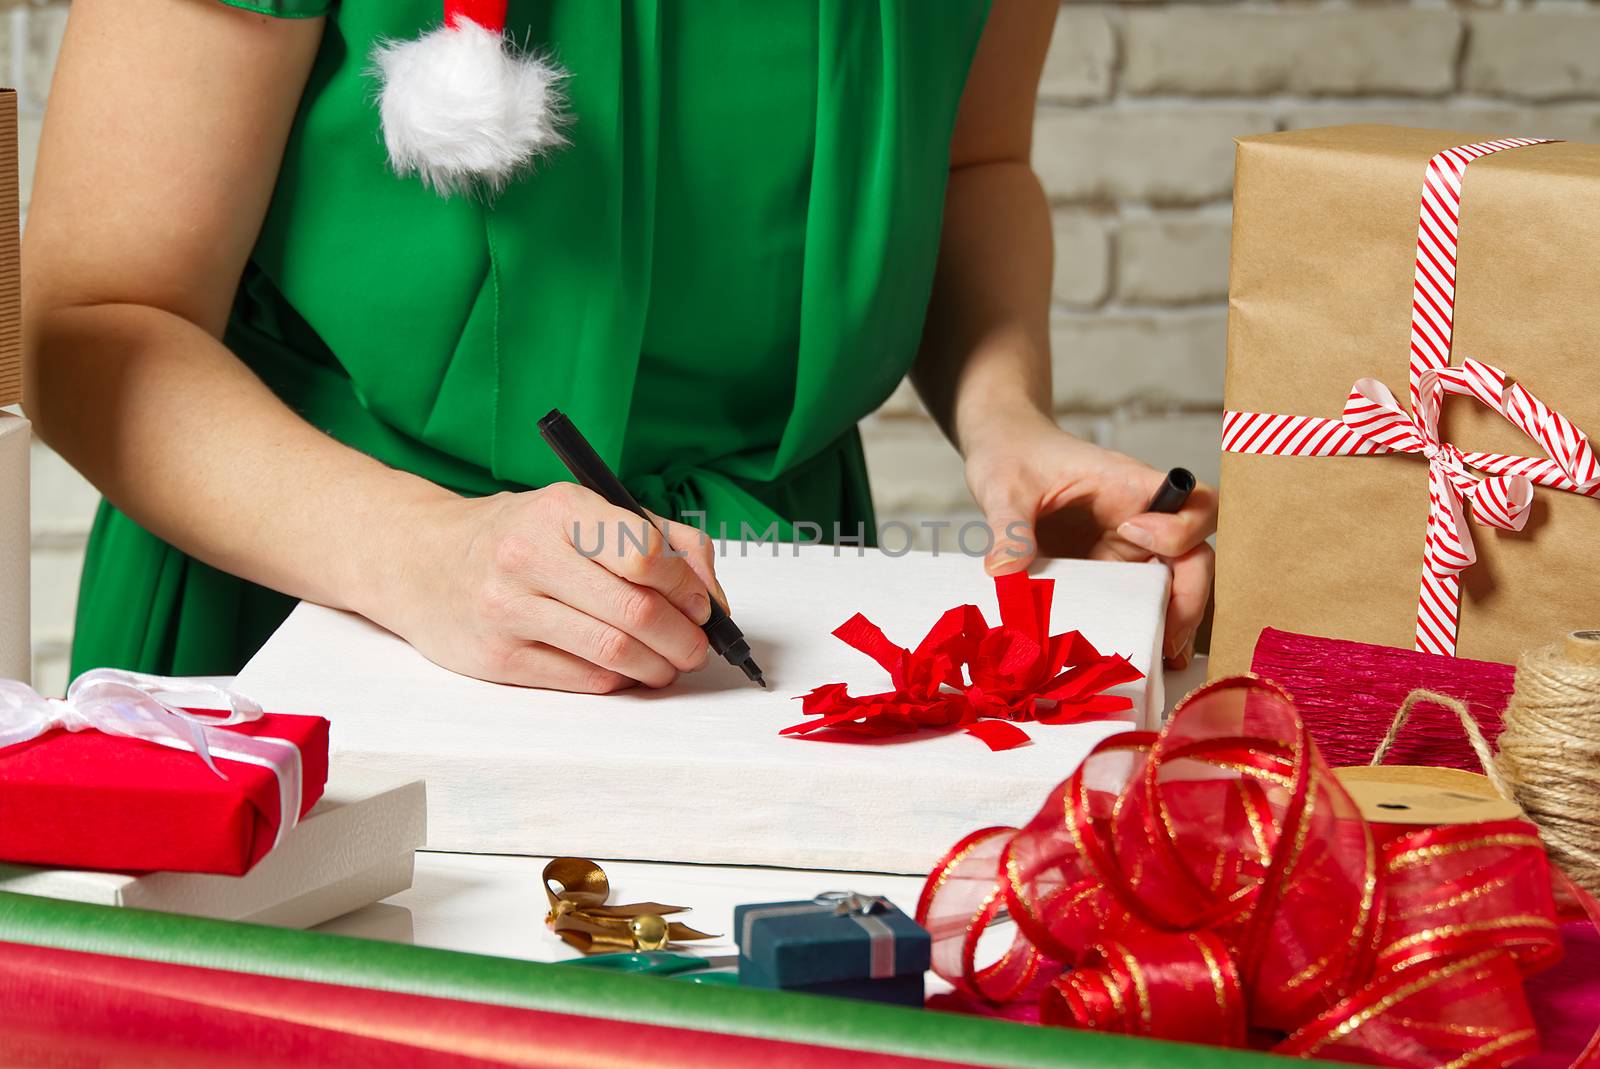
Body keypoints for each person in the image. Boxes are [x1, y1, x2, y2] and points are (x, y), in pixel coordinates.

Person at [22, 0, 1216, 694]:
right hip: (307, 604)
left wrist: (1007, 423)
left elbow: (968, 165)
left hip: (776, 612)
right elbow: (98, 316)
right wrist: (424, 554)